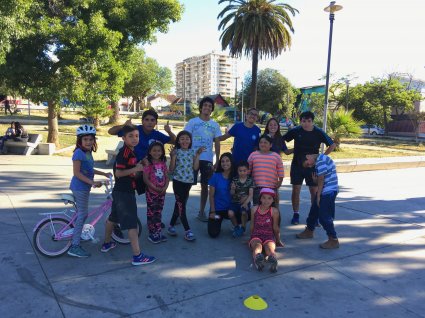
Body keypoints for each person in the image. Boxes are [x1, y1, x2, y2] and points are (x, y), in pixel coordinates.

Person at [102, 124, 156, 266]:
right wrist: (136, 167)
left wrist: (139, 164)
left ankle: (106, 244)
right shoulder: (124, 153)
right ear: (124, 138)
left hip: (121, 191)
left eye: (136, 136)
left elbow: (129, 170)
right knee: (132, 224)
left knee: (113, 218)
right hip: (125, 192)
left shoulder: (130, 152)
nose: (134, 138)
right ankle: (137, 256)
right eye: (130, 136)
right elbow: (119, 173)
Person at [283, 111, 336, 225]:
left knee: (314, 191)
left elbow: (332, 145)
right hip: (297, 165)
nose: (306, 123)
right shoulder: (296, 131)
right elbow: (281, 139)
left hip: (313, 167)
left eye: (309, 121)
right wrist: (289, 151)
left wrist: (321, 157)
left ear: (312, 121)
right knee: (296, 190)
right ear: (300, 121)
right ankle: (296, 214)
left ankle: (314, 216)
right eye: (303, 121)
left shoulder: (318, 132)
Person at [67, 125, 112, 258]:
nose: (88, 142)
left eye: (91, 139)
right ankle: (74, 246)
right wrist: (92, 182)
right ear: (79, 141)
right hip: (79, 188)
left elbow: (90, 169)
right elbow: (76, 173)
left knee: (81, 214)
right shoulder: (78, 153)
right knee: (83, 214)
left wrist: (103, 173)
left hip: (84, 187)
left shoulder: (87, 153)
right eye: (85, 139)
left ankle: (77, 233)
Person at [108, 109, 175, 196]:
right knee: (123, 193)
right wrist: (124, 125)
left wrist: (169, 131)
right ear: (142, 121)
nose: (149, 122)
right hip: (125, 165)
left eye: (152, 120)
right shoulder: (134, 130)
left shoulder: (157, 134)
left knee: (148, 194)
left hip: (142, 168)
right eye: (146, 119)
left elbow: (175, 141)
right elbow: (110, 131)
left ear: (156, 122)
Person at [185, 96, 222, 222]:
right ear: (201, 108)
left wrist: (217, 159)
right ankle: (180, 212)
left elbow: (217, 142)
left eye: (210, 106)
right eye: (205, 105)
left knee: (205, 186)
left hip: (207, 159)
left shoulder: (215, 125)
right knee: (186, 185)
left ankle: (201, 212)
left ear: (212, 110)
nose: (207, 108)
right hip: (192, 158)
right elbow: (185, 139)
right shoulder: (192, 122)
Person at [247, 134, 285, 247]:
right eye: (261, 142)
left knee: (275, 212)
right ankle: (256, 236)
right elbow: (248, 170)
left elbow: (280, 169)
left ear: (271, 145)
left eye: (266, 142)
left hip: (272, 188)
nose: (263, 144)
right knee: (258, 213)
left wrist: (280, 181)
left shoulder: (275, 156)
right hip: (257, 188)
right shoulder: (253, 155)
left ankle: (276, 237)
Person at [296, 153, 340, 249]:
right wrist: (316, 182)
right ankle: (309, 231)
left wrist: (319, 195)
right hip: (325, 190)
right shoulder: (319, 161)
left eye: (308, 164)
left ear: (308, 156)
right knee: (314, 211)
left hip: (328, 191)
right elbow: (321, 179)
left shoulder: (321, 160)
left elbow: (321, 178)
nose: (310, 166)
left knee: (324, 216)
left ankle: (333, 239)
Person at [167, 131, 204, 241]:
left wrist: (197, 156)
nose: (185, 141)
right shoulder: (176, 152)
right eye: (182, 138)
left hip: (188, 183)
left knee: (179, 204)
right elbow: (171, 169)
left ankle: (170, 226)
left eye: (187, 138)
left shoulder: (192, 152)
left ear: (190, 141)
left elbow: (195, 168)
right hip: (178, 182)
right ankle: (187, 230)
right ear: (178, 141)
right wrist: (173, 157)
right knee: (181, 206)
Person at [143, 141, 169, 244]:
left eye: (159, 151)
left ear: (162, 152)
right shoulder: (148, 164)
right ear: (149, 152)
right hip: (151, 193)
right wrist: (155, 188)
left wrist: (165, 187)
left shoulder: (163, 164)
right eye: (154, 150)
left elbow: (167, 177)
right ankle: (152, 232)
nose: (157, 153)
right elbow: (146, 179)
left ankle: (158, 231)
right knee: (151, 212)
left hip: (162, 193)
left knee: (158, 211)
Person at [249, 188, 280, 272]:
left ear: (273, 200)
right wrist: (250, 237)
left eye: (269, 198)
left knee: (269, 248)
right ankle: (258, 257)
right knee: (257, 246)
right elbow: (252, 224)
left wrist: (277, 240)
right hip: (256, 235)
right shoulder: (254, 209)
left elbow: (275, 228)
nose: (266, 200)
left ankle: (272, 258)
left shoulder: (274, 211)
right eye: (264, 197)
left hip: (269, 235)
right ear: (260, 198)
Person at [207, 152, 237, 238]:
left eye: (227, 161)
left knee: (245, 213)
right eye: (222, 161)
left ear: (231, 162)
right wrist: (212, 211)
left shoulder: (236, 177)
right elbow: (211, 195)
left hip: (231, 210)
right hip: (218, 211)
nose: (225, 163)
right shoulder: (215, 176)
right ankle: (219, 219)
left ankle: (237, 224)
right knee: (213, 233)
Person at [229, 160, 254, 237]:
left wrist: (245, 203)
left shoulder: (250, 180)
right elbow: (231, 193)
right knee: (230, 213)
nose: (242, 172)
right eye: (240, 171)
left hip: (245, 202)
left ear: (248, 171)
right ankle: (236, 226)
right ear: (237, 171)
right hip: (235, 202)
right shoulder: (235, 180)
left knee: (243, 213)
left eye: (244, 170)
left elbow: (251, 194)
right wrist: (232, 189)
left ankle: (243, 228)